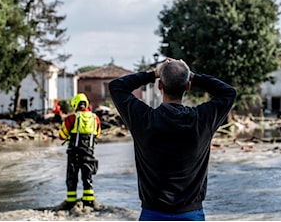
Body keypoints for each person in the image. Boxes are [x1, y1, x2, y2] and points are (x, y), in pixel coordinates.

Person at [109, 58, 237, 221]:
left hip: (152, 214)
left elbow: (116, 86)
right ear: (188, 87)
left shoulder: (144, 120)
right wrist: (192, 76)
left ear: (159, 86)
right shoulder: (201, 121)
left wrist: (154, 73)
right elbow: (228, 92)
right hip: (191, 215)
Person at [58, 93, 101, 209]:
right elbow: (97, 134)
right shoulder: (95, 118)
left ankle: (71, 203)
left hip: (74, 153)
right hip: (89, 153)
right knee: (87, 178)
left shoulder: (72, 118)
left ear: (75, 104)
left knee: (72, 178)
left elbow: (61, 136)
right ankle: (89, 202)